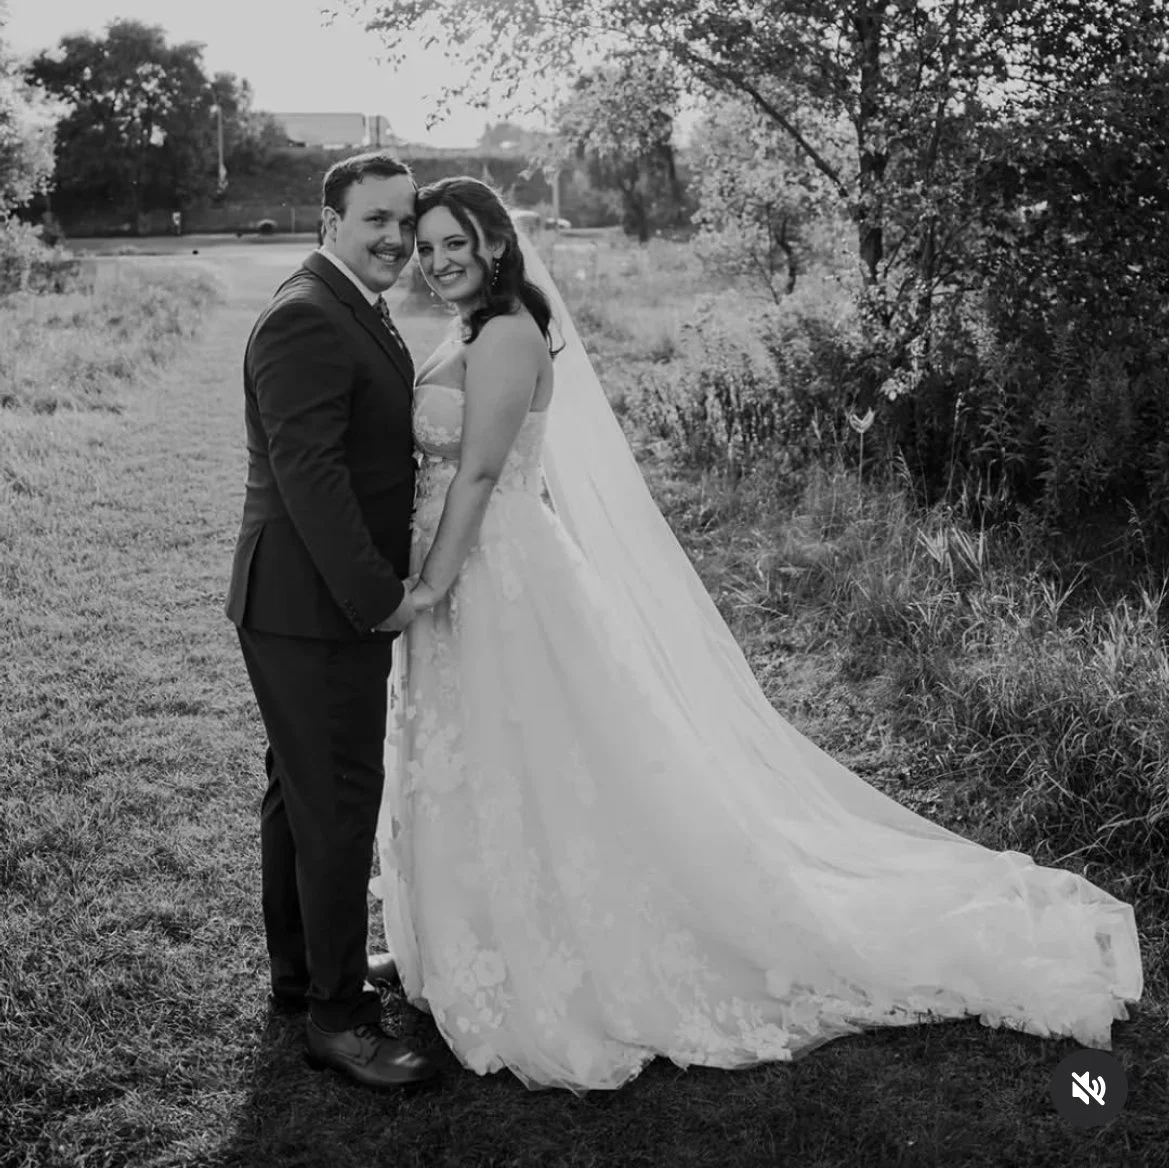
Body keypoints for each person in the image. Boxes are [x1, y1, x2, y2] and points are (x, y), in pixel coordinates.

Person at [375, 177, 1143, 1092]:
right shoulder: (463, 329)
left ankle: (564, 946)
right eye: (425, 246)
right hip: (472, 577)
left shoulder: (503, 334)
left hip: (490, 575)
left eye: (453, 241)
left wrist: (427, 586)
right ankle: (482, 933)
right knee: (492, 759)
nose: (437, 259)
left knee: (528, 757)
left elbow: (479, 477)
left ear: (496, 244)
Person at [225, 151, 438, 1089]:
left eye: (406, 219)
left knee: (301, 794)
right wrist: (380, 598)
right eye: (376, 221)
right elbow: (311, 481)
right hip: (315, 607)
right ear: (330, 221)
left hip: (301, 603)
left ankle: (306, 975)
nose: (396, 237)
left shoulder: (347, 300)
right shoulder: (310, 316)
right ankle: (338, 1020)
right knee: (338, 802)